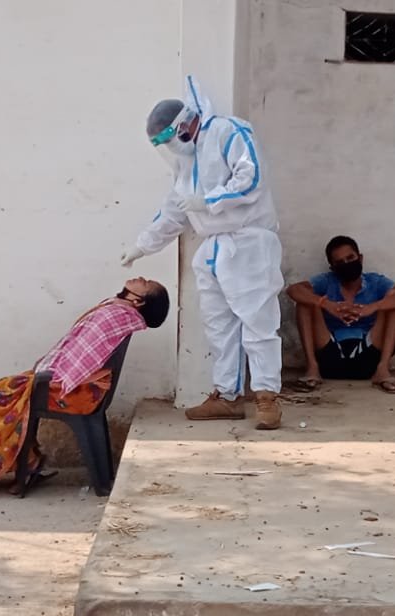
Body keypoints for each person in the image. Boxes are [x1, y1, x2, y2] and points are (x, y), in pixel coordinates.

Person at [121, 75, 284, 430]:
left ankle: (267, 397)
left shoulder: (228, 131)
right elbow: (173, 211)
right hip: (213, 248)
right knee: (219, 326)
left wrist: (210, 200)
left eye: (169, 139)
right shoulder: (185, 162)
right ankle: (227, 396)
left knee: (258, 322)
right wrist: (142, 245)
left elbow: (251, 178)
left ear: (183, 126)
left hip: (248, 241)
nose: (170, 147)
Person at [0, 278, 170, 496]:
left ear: (138, 301)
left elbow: (77, 363)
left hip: (69, 390)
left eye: (146, 283)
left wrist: (43, 375)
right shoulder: (118, 312)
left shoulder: (114, 315)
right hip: (74, 384)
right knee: (8, 391)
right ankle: (27, 463)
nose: (140, 278)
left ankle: (12, 467)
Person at [286, 235, 395, 394]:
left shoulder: (375, 282)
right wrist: (326, 304)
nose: (347, 264)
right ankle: (312, 369)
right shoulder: (326, 281)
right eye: (340, 262)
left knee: (394, 301)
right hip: (330, 357)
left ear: (360, 258)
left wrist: (373, 307)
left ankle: (383, 370)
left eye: (350, 258)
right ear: (332, 268)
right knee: (305, 301)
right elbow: (294, 290)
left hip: (368, 358)